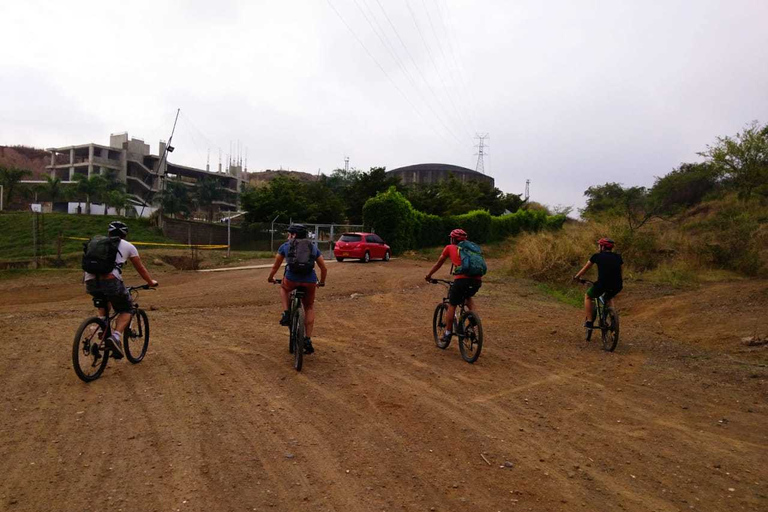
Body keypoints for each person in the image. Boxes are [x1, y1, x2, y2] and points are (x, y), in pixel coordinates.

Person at [84, 221, 158, 358]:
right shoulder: (128, 246)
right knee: (126, 309)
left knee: (103, 299)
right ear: (125, 234)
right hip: (111, 280)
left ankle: (101, 325)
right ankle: (116, 337)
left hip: (89, 280)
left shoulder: (97, 243)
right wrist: (150, 282)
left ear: (109, 232)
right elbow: (140, 268)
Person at [267, 224, 328, 354]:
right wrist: (321, 282)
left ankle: (286, 313)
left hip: (291, 279)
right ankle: (307, 339)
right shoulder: (312, 247)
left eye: (289, 234)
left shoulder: (285, 246)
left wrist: (270, 278)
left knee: (284, 289)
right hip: (310, 280)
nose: (288, 236)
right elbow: (323, 268)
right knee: (309, 307)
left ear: (293, 235)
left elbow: (275, 266)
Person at [424, 228, 483, 344]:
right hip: (477, 280)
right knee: (468, 298)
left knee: (452, 304)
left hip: (461, 280)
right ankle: (473, 319)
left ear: (452, 239)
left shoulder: (449, 248)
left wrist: (429, 275)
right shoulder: (471, 249)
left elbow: (439, 263)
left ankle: (447, 333)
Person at [573, 238, 623, 329]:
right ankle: (612, 317)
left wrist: (576, 277)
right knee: (609, 297)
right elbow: (620, 271)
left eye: (599, 246)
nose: (598, 247)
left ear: (602, 247)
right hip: (618, 285)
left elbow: (585, 268)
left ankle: (589, 322)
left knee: (588, 296)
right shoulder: (618, 257)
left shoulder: (597, 256)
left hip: (602, 285)